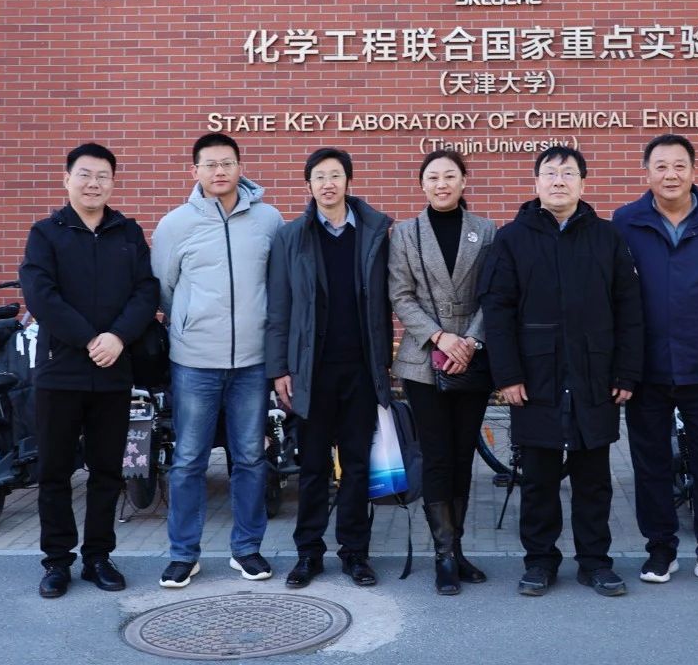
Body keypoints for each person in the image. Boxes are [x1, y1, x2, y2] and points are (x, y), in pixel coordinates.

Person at [479, 145, 643, 597]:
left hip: (595, 375)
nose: (558, 180)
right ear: (535, 183)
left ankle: (595, 562)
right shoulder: (512, 239)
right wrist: (507, 375)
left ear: (583, 183)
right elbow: (497, 310)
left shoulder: (607, 237)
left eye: (568, 173)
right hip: (535, 378)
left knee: (594, 480)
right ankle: (539, 561)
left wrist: (626, 372)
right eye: (549, 173)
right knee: (538, 480)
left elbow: (629, 309)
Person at [611, 134, 698, 589]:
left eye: (679, 165)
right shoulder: (626, 221)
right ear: (646, 172)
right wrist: (622, 365)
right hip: (646, 367)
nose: (670, 174)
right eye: (661, 166)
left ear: (693, 171)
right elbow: (614, 296)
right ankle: (660, 549)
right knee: (650, 462)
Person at [20, 142, 159, 599]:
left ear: (113, 183)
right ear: (67, 179)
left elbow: (146, 291)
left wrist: (117, 337)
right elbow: (41, 295)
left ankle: (98, 556)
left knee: (107, 472)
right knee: (55, 472)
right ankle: (57, 561)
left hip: (113, 371)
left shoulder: (127, 233)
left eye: (102, 176)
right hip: (60, 371)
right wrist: (89, 339)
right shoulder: (46, 233)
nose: (93, 183)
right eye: (84, 174)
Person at [150, 132, 284, 588]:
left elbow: (276, 284)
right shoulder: (175, 225)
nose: (219, 171)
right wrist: (189, 325)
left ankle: (246, 549)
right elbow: (165, 288)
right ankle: (183, 554)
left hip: (252, 361)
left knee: (250, 458)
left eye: (227, 163)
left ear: (240, 167)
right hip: (194, 362)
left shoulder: (268, 219)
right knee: (189, 460)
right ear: (195, 171)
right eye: (209, 164)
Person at [270, 148, 394, 589]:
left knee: (357, 464)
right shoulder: (291, 236)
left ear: (348, 181)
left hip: (360, 368)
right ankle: (308, 553)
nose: (327, 183)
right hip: (311, 372)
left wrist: (385, 365)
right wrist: (280, 368)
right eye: (319, 176)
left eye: (335, 175)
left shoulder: (375, 232)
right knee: (313, 467)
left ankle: (355, 553)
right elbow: (279, 307)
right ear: (308, 185)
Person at [388, 150, 497, 595]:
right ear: (422, 185)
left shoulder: (486, 230)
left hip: (471, 357)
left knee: (462, 456)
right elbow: (400, 294)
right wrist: (439, 337)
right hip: (422, 359)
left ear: (464, 180)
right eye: (433, 177)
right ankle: (443, 555)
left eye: (450, 176)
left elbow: (495, 293)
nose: (441, 184)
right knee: (436, 456)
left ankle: (459, 547)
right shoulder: (405, 233)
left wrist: (469, 341)